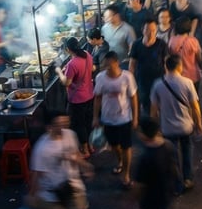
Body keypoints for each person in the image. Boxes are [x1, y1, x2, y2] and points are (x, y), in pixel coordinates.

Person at [29, 109, 102, 209]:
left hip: (72, 184)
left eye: (65, 123)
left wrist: (85, 166)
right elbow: (37, 173)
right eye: (58, 124)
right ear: (49, 127)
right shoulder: (42, 148)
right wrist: (32, 195)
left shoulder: (70, 135)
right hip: (50, 190)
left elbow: (75, 155)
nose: (63, 127)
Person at [150, 54, 202, 192]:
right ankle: (188, 179)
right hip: (186, 127)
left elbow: (153, 111)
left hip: (167, 129)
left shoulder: (157, 84)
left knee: (172, 159)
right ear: (180, 66)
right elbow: (195, 107)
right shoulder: (187, 83)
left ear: (165, 67)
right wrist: (199, 123)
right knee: (187, 153)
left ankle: (177, 185)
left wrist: (155, 130)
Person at [134, 116, 179, 209]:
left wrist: (129, 202)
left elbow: (139, 186)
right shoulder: (167, 145)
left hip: (153, 199)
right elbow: (174, 167)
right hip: (167, 192)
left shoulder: (146, 157)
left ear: (144, 134)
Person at [93, 51, 138, 186]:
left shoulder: (127, 77)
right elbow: (98, 98)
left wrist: (135, 117)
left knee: (126, 146)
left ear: (117, 63)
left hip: (125, 118)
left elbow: (133, 98)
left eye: (110, 65)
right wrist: (95, 117)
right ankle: (120, 161)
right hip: (108, 119)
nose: (108, 68)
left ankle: (126, 174)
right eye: (106, 65)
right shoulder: (100, 78)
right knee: (114, 145)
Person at [55, 38, 95, 158]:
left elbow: (66, 82)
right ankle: (90, 145)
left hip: (78, 99)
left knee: (79, 124)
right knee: (87, 122)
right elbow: (91, 68)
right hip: (90, 94)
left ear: (68, 49)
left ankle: (85, 150)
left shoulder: (73, 64)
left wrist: (59, 72)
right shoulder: (87, 54)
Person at [128, 18, 167, 115]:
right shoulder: (136, 45)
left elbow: (166, 63)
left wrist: (167, 79)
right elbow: (132, 64)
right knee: (145, 104)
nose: (151, 33)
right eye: (148, 30)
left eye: (153, 30)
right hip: (142, 81)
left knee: (160, 104)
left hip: (159, 80)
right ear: (143, 30)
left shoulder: (161, 44)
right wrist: (131, 81)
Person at [168, 16, 202, 86]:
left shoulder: (172, 40)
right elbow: (199, 58)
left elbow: (169, 55)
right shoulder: (193, 41)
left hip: (178, 76)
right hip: (193, 76)